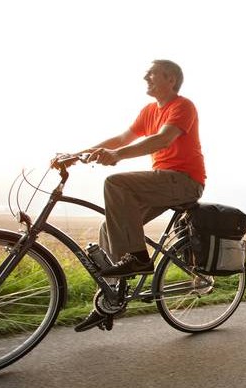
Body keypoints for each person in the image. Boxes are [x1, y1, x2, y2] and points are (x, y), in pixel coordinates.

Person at [71, 60, 206, 331]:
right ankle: (111, 299)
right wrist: (77, 155)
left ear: (170, 79)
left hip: (184, 181)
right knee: (109, 226)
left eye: (152, 74)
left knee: (116, 184)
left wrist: (117, 157)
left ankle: (138, 259)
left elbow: (163, 139)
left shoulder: (182, 106)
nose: (146, 77)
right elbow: (122, 139)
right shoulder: (148, 111)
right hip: (163, 182)